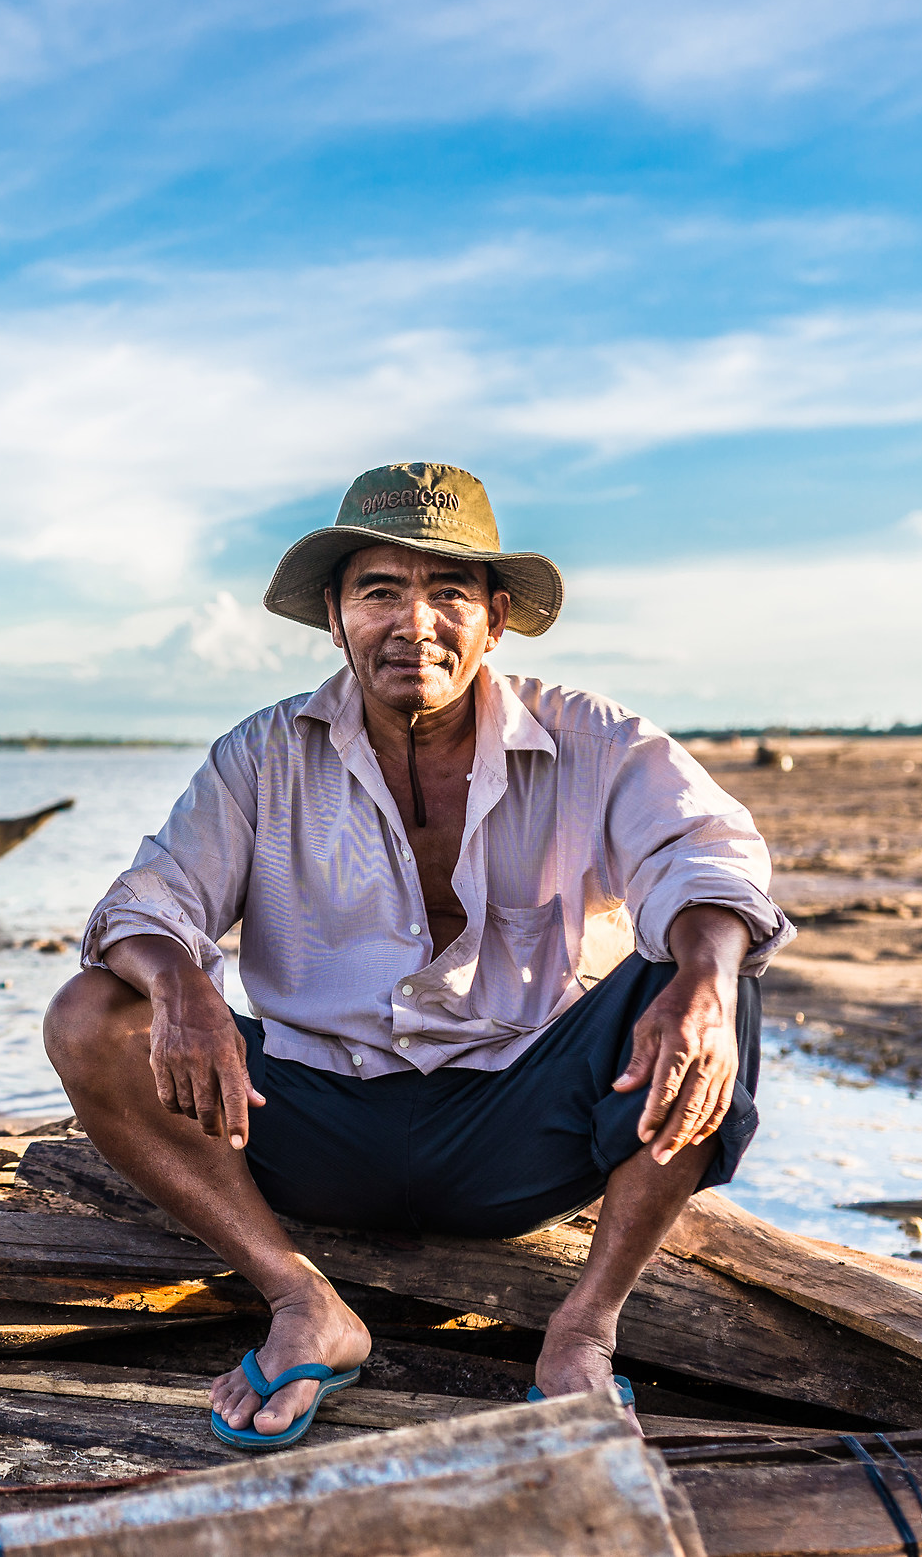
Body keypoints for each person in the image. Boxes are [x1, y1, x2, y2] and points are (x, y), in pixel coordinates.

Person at [44, 461, 792, 1451]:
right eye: (380, 592)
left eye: (447, 593)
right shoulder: (260, 756)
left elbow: (707, 859)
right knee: (90, 1014)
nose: (414, 623)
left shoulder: (599, 742)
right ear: (335, 614)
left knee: (713, 976)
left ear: (496, 618)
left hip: (520, 1134)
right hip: (308, 1126)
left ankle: (583, 1331)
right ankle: (301, 1299)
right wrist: (181, 984)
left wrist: (699, 981)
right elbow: (151, 899)